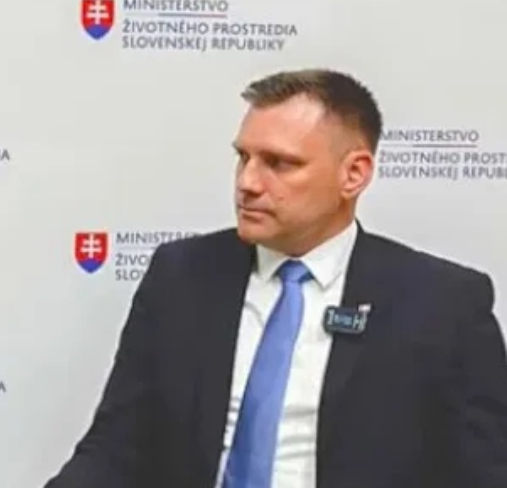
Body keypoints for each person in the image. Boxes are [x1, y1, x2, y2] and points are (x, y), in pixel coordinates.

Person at [45, 69, 507, 488]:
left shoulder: (442, 305)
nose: (247, 182)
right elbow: (116, 448)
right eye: (243, 157)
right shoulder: (182, 277)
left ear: (354, 174)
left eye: (279, 163)